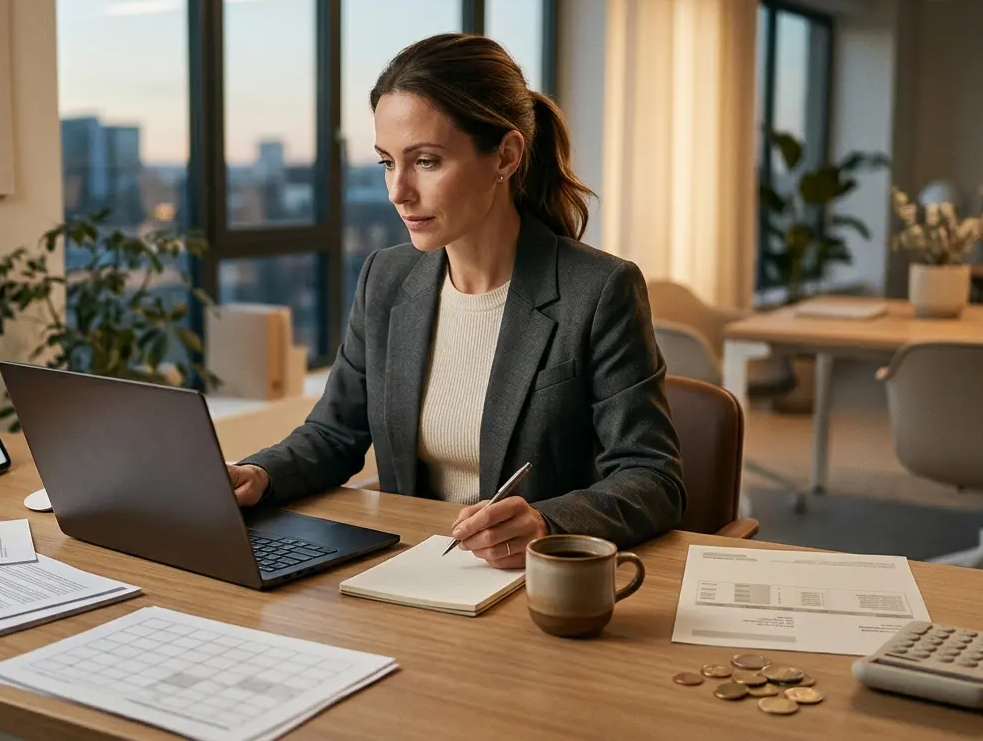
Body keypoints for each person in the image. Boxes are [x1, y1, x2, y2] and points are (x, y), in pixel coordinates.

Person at [227, 33, 684, 568]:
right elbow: (334, 433)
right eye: (387, 163)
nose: (397, 191)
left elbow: (653, 477)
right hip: (410, 567)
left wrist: (547, 522)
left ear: (505, 156)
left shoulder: (600, 290)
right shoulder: (386, 278)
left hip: (534, 578)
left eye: (426, 161)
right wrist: (259, 474)